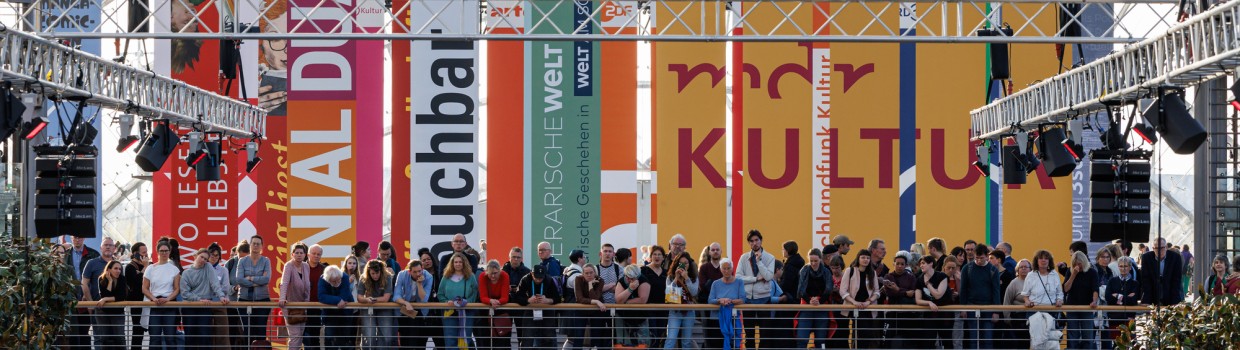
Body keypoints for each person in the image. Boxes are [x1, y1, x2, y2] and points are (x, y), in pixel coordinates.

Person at [180, 248, 230, 348]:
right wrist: (199, 299)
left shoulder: (208, 267)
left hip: (205, 306)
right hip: (190, 307)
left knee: (205, 337)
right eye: (201, 257)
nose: (203, 260)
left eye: (205, 259)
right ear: (196, 256)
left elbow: (214, 283)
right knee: (190, 337)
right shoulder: (186, 273)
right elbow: (185, 293)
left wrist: (221, 296)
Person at [736, 229, 775, 349]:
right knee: (749, 334)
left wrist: (759, 262)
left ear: (761, 241)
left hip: (764, 298)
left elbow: (768, 276)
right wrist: (755, 279)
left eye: (756, 240)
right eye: (751, 241)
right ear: (749, 243)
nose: (754, 243)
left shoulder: (770, 257)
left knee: (765, 334)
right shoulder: (744, 257)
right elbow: (738, 277)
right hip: (748, 299)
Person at [960, 244, 1001, 349]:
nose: (978, 260)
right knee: (973, 339)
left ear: (987, 256)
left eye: (981, 258)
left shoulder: (993, 270)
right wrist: (963, 308)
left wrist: (996, 311)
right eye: (976, 258)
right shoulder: (967, 268)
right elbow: (963, 290)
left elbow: (996, 291)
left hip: (988, 308)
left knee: (988, 339)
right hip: (971, 307)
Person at [232, 235, 272, 345]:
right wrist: (258, 281)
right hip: (244, 300)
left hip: (262, 300)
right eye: (253, 243)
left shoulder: (266, 261)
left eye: (258, 244)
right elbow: (239, 279)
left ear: (262, 246)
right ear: (250, 245)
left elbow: (267, 279)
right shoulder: (242, 261)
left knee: (261, 332)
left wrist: (250, 278)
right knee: (247, 332)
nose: (255, 245)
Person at [143, 240, 181, 350]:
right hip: (154, 305)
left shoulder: (174, 269)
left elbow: (177, 289)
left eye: (166, 251)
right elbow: (144, 288)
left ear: (170, 251)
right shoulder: (150, 268)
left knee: (170, 338)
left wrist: (167, 299)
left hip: (170, 305)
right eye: (162, 251)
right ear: (157, 252)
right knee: (154, 339)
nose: (164, 253)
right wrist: (153, 298)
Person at [1022, 250, 1065, 346]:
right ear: (1036, 261)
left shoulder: (1054, 274)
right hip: (1035, 313)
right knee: (1037, 341)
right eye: (1041, 258)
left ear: (1049, 261)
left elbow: (1059, 293)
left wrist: (1059, 300)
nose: (1043, 260)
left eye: (1046, 258)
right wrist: (1027, 301)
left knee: (1051, 341)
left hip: (1051, 311)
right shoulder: (1031, 275)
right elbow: (1025, 294)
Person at [840, 248, 880, 348]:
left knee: (867, 335)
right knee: (862, 333)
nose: (865, 260)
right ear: (858, 258)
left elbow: (877, 292)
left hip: (868, 308)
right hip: (853, 307)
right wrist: (854, 302)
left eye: (868, 258)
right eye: (863, 257)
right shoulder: (850, 270)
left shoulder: (872, 272)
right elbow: (843, 291)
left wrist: (869, 301)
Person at [65, 236, 101, 349]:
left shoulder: (93, 254)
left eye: (80, 237)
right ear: (71, 238)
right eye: (75, 237)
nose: (77, 240)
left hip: (87, 299)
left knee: (85, 332)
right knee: (72, 333)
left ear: (84, 238)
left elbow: (97, 278)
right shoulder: (65, 254)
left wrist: (88, 295)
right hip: (70, 299)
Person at [82, 237, 117, 348]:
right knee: (99, 338)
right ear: (101, 248)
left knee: (114, 338)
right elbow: (84, 283)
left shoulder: (117, 265)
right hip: (98, 307)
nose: (108, 247)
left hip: (115, 307)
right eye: (105, 245)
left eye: (110, 245)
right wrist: (90, 303)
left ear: (114, 248)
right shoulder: (91, 263)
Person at [796, 248, 833, 349]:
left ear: (820, 259)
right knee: (802, 338)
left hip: (822, 307)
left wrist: (819, 301)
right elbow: (801, 289)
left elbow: (829, 289)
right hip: (806, 306)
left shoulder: (826, 271)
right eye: (811, 260)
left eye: (816, 261)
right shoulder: (804, 270)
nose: (813, 263)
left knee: (821, 340)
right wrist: (810, 301)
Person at [440, 253, 478, 349]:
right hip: (449, 313)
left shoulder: (471, 277)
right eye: (456, 262)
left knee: (465, 340)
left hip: (467, 312)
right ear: (452, 263)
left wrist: (465, 303)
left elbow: (475, 293)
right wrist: (447, 302)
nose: (458, 264)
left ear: (464, 263)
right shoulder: (446, 277)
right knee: (450, 340)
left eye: (460, 262)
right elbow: (440, 294)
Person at [519, 264, 561, 348]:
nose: (538, 280)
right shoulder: (525, 279)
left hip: (547, 311)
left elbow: (558, 298)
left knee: (548, 338)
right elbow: (517, 296)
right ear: (532, 274)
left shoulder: (549, 280)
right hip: (530, 311)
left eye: (541, 278)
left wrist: (548, 300)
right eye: (536, 277)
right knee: (527, 338)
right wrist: (528, 300)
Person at [394, 259, 433, 348]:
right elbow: (396, 296)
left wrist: (419, 284)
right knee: (406, 341)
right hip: (406, 309)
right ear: (409, 271)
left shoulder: (428, 276)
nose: (418, 274)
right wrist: (406, 303)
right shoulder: (402, 274)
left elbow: (424, 299)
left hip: (421, 311)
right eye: (414, 272)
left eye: (419, 271)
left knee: (421, 341)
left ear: (422, 269)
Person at [665, 251, 700, 349]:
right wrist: (676, 278)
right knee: (671, 339)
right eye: (681, 263)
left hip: (689, 311)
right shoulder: (670, 276)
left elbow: (694, 292)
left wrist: (686, 278)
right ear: (676, 264)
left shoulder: (693, 277)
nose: (683, 265)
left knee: (686, 341)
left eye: (686, 263)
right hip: (675, 311)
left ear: (690, 264)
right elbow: (669, 293)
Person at [279, 243, 311, 349]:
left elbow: (307, 286)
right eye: (296, 253)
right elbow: (284, 283)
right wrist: (282, 298)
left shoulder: (306, 266)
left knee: (300, 335)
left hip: (303, 306)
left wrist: (307, 303)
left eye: (301, 253)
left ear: (305, 255)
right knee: (295, 336)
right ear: (292, 254)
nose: (299, 255)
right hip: (290, 306)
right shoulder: (288, 266)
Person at [707, 259, 745, 350]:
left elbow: (743, 299)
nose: (726, 271)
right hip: (717, 318)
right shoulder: (715, 283)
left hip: (733, 318)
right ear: (721, 269)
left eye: (728, 268)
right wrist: (720, 300)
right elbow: (710, 300)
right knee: (717, 344)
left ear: (732, 269)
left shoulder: (739, 282)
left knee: (733, 344)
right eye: (724, 268)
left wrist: (730, 301)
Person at [915, 255, 951, 349]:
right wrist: (929, 303)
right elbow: (918, 300)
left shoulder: (942, 276)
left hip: (944, 314)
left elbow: (938, 295)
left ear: (931, 264)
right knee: (928, 341)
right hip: (929, 314)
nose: (921, 265)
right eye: (920, 264)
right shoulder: (919, 279)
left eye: (923, 263)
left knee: (947, 340)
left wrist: (928, 284)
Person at [883, 251, 917, 347]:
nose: (899, 266)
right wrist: (905, 292)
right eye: (897, 264)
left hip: (908, 314)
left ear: (906, 265)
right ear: (893, 264)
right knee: (889, 340)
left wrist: (897, 290)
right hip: (892, 313)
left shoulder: (911, 277)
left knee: (908, 340)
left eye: (902, 264)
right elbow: (890, 293)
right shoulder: (888, 276)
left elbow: (913, 293)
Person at [358, 260, 395, 348]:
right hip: (368, 307)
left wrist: (372, 299)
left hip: (384, 308)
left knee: (386, 336)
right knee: (369, 336)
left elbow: (386, 298)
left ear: (381, 271)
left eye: (377, 273)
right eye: (373, 273)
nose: (375, 276)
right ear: (368, 272)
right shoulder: (363, 277)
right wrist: (367, 300)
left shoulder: (388, 277)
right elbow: (359, 297)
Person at [1105, 256, 1141, 347]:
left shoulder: (1135, 283)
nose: (1123, 268)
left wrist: (1117, 296)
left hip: (1129, 318)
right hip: (1114, 318)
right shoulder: (1112, 281)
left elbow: (1132, 300)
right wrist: (1125, 298)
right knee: (1116, 345)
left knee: (1129, 345)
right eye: (1121, 266)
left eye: (1125, 266)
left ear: (1130, 267)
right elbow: (1108, 297)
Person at [318, 265, 356, 350]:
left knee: (345, 339)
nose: (337, 283)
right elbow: (321, 296)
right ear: (328, 280)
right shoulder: (323, 279)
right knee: (329, 338)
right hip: (330, 314)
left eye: (338, 280)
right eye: (334, 281)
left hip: (345, 313)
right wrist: (337, 300)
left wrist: (337, 300)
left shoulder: (344, 276)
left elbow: (344, 295)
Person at [477, 260, 511, 350]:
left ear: (499, 271)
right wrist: (490, 301)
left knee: (502, 338)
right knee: (484, 338)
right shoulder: (482, 276)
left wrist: (496, 302)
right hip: (485, 309)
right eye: (490, 273)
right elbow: (483, 297)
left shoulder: (505, 275)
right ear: (486, 272)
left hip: (501, 310)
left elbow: (505, 297)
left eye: (495, 273)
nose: (493, 276)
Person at [92, 260, 126, 350]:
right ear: (109, 269)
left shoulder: (122, 279)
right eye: (115, 268)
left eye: (120, 269)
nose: (118, 271)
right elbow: (104, 295)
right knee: (105, 337)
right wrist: (110, 281)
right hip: (103, 311)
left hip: (117, 311)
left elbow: (121, 296)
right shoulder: (101, 279)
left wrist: (105, 299)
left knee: (120, 337)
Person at [1140, 238, 1184, 305]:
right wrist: (1146, 300)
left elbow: (1176, 280)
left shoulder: (1175, 257)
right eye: (1156, 248)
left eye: (1162, 248)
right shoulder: (1146, 257)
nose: (1159, 251)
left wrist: (1175, 301)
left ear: (1166, 247)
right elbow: (1146, 280)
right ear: (1153, 248)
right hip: (1152, 294)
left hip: (1171, 293)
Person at [640, 245, 670, 344]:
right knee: (653, 336)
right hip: (648, 309)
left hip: (663, 309)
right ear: (651, 256)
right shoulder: (643, 270)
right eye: (654, 254)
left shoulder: (666, 273)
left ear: (663, 257)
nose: (657, 257)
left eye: (659, 254)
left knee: (661, 336)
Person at [576, 264, 610, 349]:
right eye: (586, 273)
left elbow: (595, 297)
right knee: (578, 335)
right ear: (583, 274)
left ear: (595, 273)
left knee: (596, 334)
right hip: (582, 310)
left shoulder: (600, 280)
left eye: (591, 272)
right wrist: (596, 302)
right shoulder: (578, 279)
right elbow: (579, 298)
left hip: (596, 310)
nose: (589, 275)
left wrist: (590, 284)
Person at [206, 243, 233, 349]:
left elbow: (226, 288)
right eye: (212, 255)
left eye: (216, 255)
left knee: (222, 333)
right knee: (207, 333)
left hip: (220, 303)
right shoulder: (203, 268)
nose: (214, 257)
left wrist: (213, 289)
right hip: (206, 303)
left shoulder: (223, 270)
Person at [1002, 259, 1032, 350]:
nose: (1023, 269)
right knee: (1021, 345)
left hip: (1033, 318)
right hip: (1018, 319)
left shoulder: (1035, 282)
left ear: (1030, 269)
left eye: (1026, 267)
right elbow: (1007, 301)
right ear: (1017, 270)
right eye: (1021, 267)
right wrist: (1007, 319)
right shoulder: (1014, 283)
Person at [224, 240, 249, 347]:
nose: (242, 260)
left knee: (248, 332)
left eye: (245, 258)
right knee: (232, 332)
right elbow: (224, 285)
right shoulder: (230, 264)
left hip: (248, 304)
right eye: (240, 257)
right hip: (232, 304)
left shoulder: (255, 263)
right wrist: (234, 288)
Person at [304, 244, 329, 348]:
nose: (316, 256)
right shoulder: (300, 267)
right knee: (302, 337)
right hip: (301, 307)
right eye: (314, 253)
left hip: (318, 307)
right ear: (308, 254)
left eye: (318, 254)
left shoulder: (325, 269)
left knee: (314, 337)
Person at [125, 242, 149, 348]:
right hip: (137, 302)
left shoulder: (150, 264)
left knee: (151, 328)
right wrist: (145, 267)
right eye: (143, 252)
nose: (146, 254)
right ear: (136, 253)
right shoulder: (130, 267)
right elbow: (136, 282)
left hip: (149, 300)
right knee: (138, 330)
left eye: (146, 252)